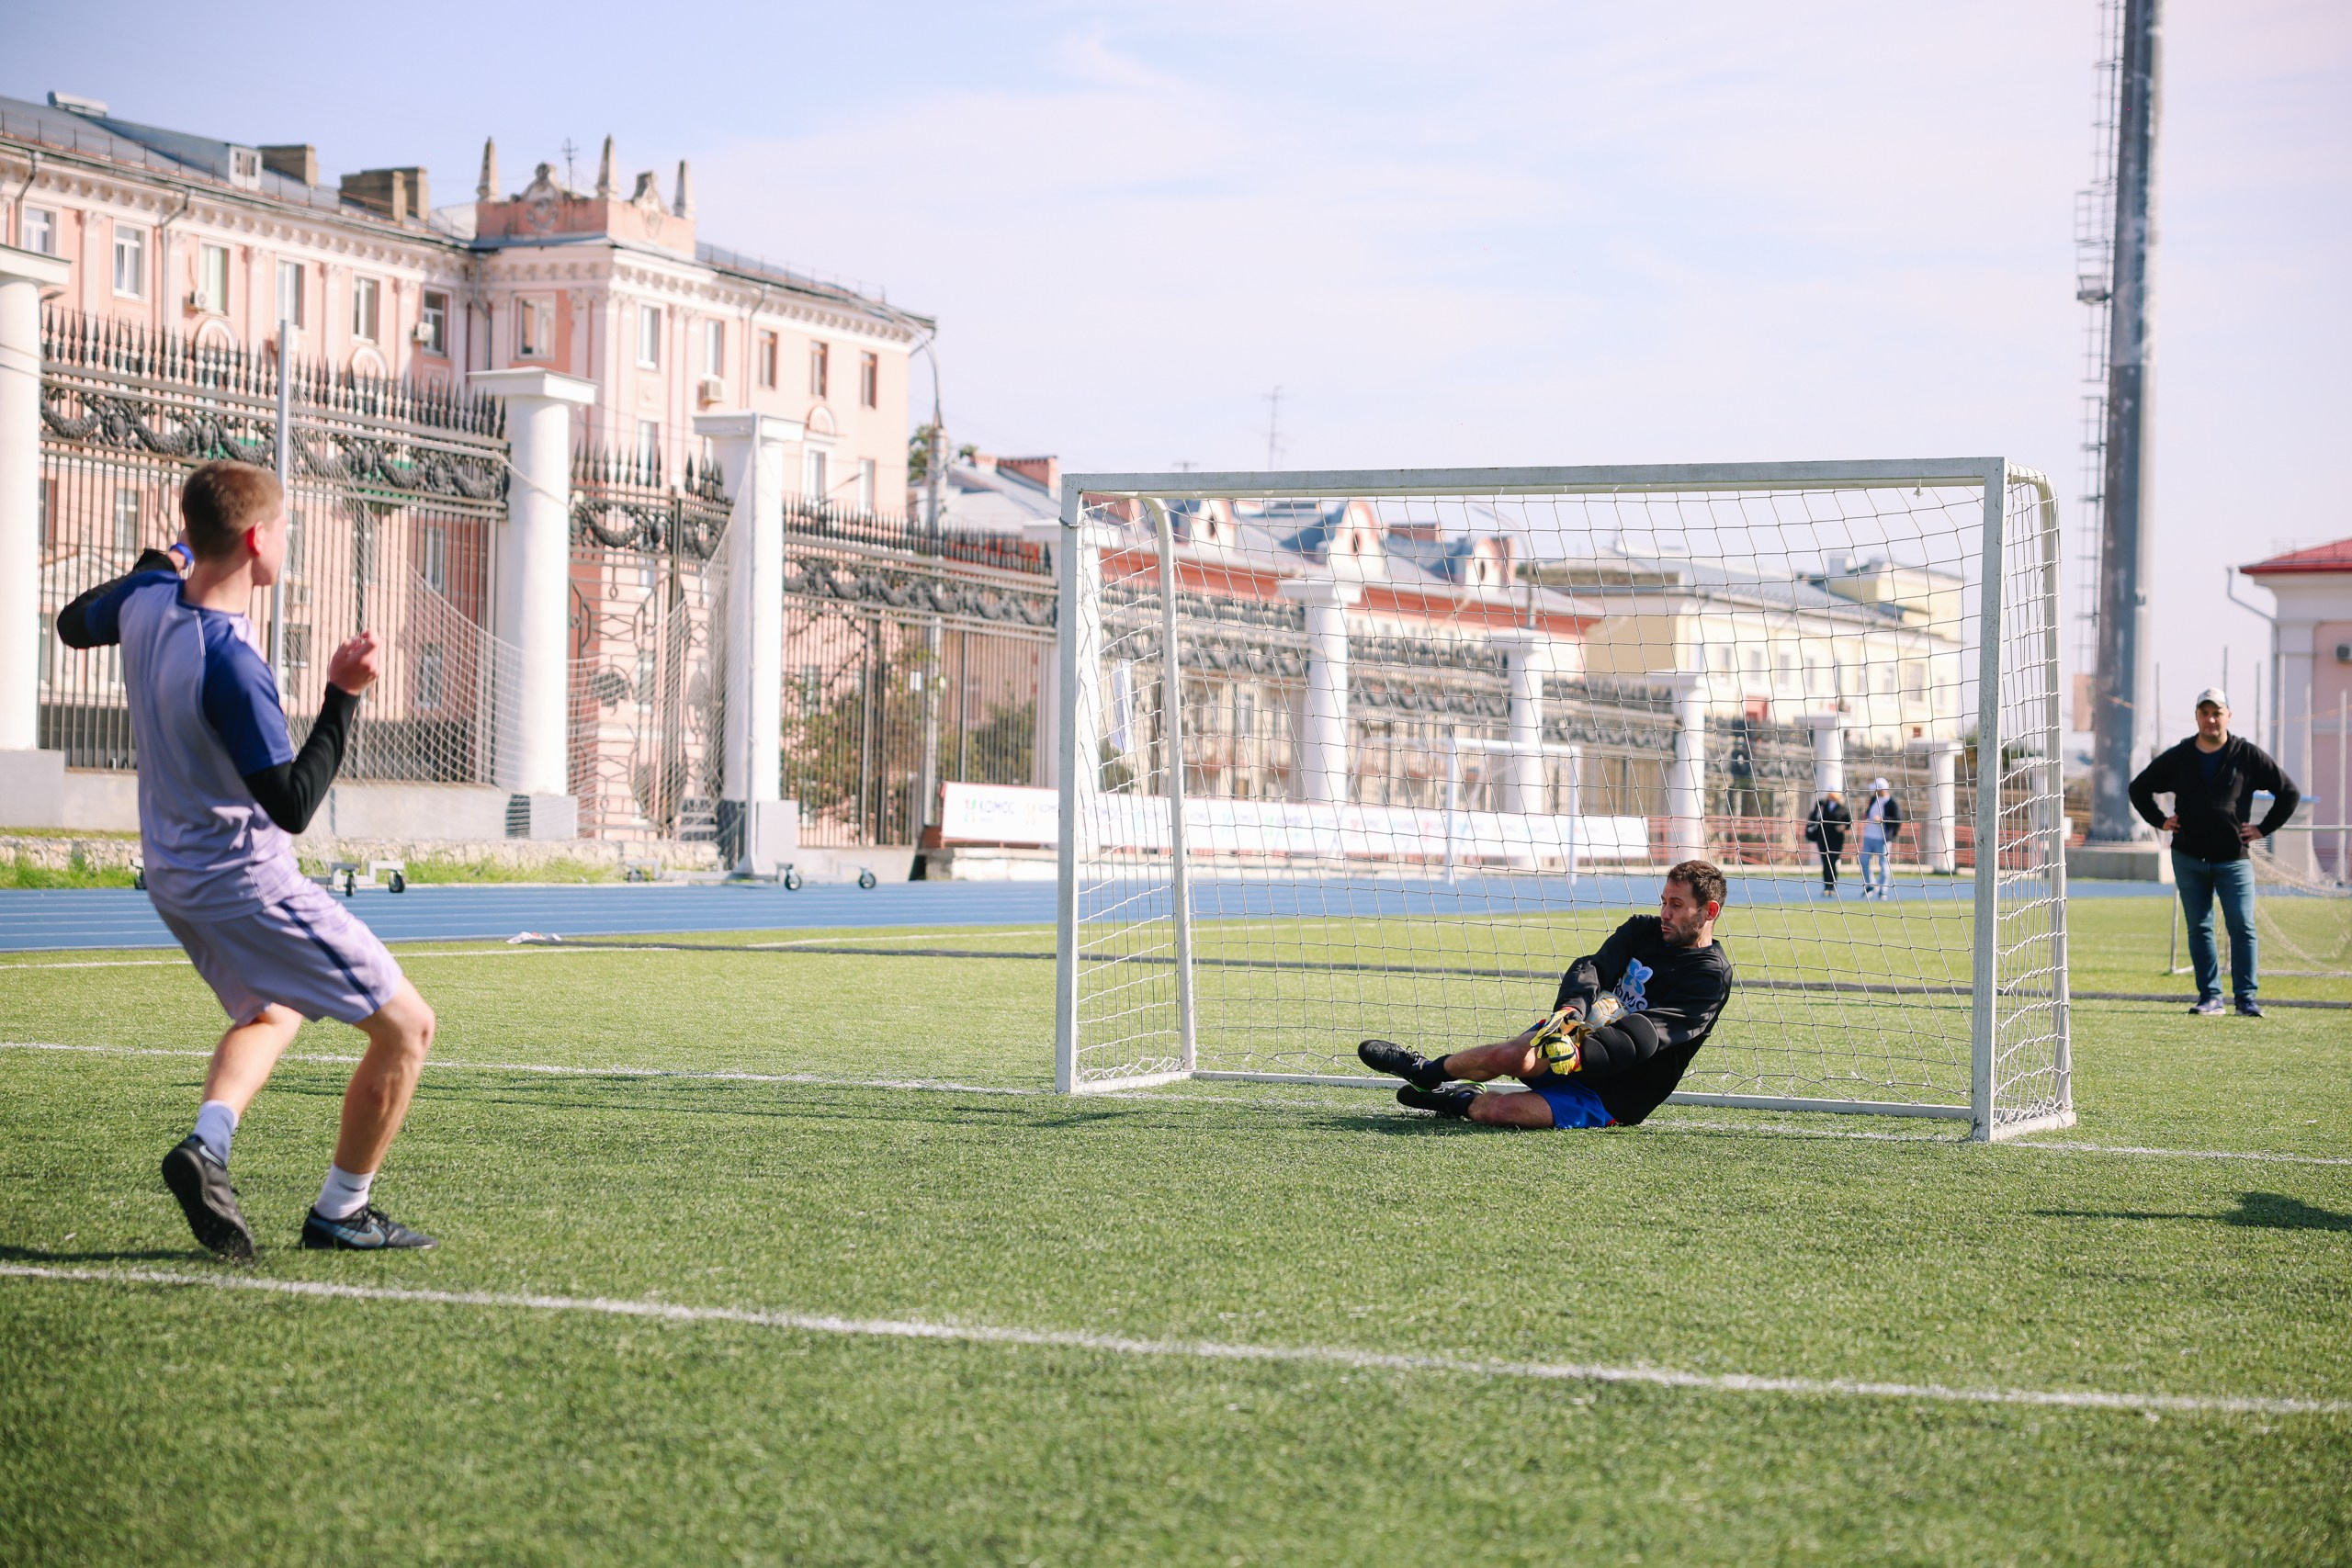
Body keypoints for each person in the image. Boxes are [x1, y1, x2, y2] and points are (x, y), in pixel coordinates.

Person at [55, 460, 439, 1256]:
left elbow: (69, 622)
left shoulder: (145, 601)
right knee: (408, 1029)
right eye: (286, 528)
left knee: (271, 1008)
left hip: (172, 877)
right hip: (247, 884)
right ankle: (343, 1207)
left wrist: (158, 562)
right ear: (258, 540)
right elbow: (293, 804)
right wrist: (343, 695)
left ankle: (209, 1146)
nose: (288, 542)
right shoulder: (231, 661)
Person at [1357, 860, 1734, 1128]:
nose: (1665, 913)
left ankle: (1459, 1099)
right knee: (1512, 1055)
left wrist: (1579, 1053)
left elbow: (1645, 1035)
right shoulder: (1642, 930)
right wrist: (1570, 1011)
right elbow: (1593, 967)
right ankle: (1426, 1072)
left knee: (1499, 1113)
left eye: (1677, 905)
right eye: (1664, 901)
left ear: (1709, 910)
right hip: (1576, 1037)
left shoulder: (1709, 978)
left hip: (1618, 1092)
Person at [2128, 687, 2301, 1019]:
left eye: (2217, 712)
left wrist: (2264, 829)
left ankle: (2246, 999)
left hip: (2233, 859)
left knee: (2242, 926)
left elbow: (2289, 792)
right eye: (2204, 712)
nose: (2211, 719)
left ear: (2228, 716)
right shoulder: (2180, 756)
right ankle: (2210, 998)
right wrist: (2161, 821)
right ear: (2196, 716)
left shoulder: (2247, 755)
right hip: (2189, 857)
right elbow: (2138, 788)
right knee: (2200, 927)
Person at [1857, 777, 1905, 899]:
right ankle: (1870, 884)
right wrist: (1866, 815)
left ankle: (1883, 889)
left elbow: (1898, 819)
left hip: (1882, 838)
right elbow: (1869, 812)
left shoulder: (1891, 802)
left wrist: (1882, 819)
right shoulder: (1873, 799)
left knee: (1883, 864)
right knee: (1864, 860)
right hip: (1869, 836)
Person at [1804, 789, 1849, 895]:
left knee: (1832, 861)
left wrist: (1842, 827)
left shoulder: (1842, 808)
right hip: (1823, 838)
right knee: (1825, 862)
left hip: (1836, 839)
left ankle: (1832, 886)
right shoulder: (1822, 805)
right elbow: (1814, 816)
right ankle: (1826, 886)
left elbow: (1848, 822)